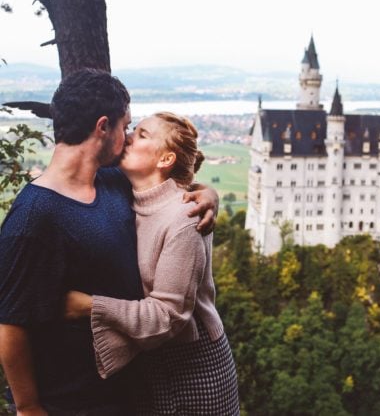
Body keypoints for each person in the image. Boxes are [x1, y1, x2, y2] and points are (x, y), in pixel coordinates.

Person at [0, 70, 218, 416]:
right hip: (73, 401)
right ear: (103, 127)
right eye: (126, 126)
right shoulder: (33, 217)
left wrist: (207, 194)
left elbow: (166, 189)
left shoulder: (113, 181)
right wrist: (28, 407)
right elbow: (10, 323)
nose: (128, 135)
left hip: (131, 389)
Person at [65, 112, 240, 415]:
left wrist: (88, 305)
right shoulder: (128, 193)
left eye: (143, 135)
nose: (129, 136)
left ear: (165, 159)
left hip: (195, 370)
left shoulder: (183, 219)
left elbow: (167, 317)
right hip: (151, 364)